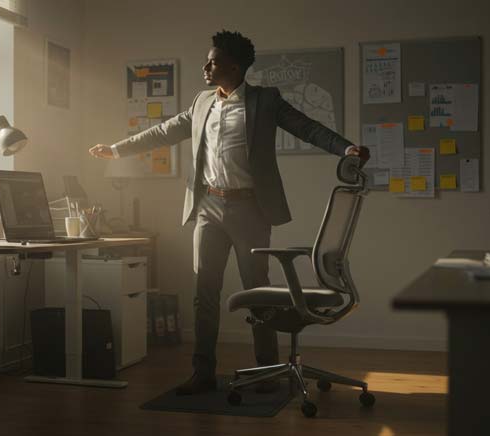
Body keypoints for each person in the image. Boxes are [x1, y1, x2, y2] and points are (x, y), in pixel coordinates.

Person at [90, 30, 369, 395]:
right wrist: (116, 149)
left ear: (234, 66)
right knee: (204, 292)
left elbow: (307, 127)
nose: (206, 66)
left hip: (250, 208)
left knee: (257, 291)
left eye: (214, 61)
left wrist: (346, 149)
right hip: (208, 207)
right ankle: (202, 374)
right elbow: (165, 130)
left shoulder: (265, 101)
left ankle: (267, 371)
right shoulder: (202, 102)